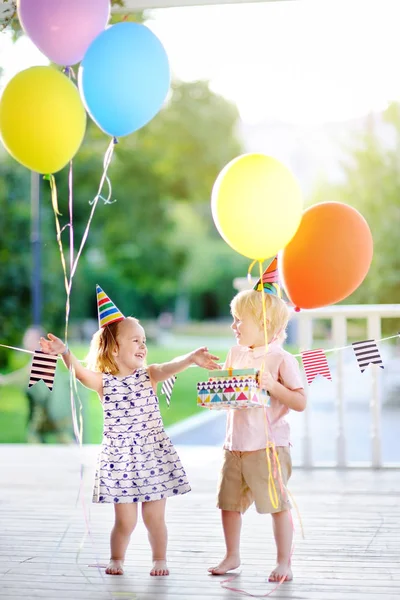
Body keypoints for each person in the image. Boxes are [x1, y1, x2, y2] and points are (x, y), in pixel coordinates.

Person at [39, 285, 220, 577]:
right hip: (120, 458)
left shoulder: (149, 375)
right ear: (114, 348)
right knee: (125, 522)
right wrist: (65, 353)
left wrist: (189, 359)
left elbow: (169, 367)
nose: (143, 346)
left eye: (144, 340)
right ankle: (117, 558)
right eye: (135, 340)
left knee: (154, 519)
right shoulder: (104, 383)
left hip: (151, 455)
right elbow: (81, 373)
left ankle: (159, 560)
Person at [208, 258, 306, 583]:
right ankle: (232, 554)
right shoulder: (236, 354)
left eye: (240, 321)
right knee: (229, 503)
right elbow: (230, 396)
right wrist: (217, 391)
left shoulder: (281, 358)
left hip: (268, 447)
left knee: (276, 504)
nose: (234, 327)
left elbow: (300, 401)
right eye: (234, 320)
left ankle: (284, 562)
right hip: (235, 444)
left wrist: (274, 386)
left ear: (263, 323)